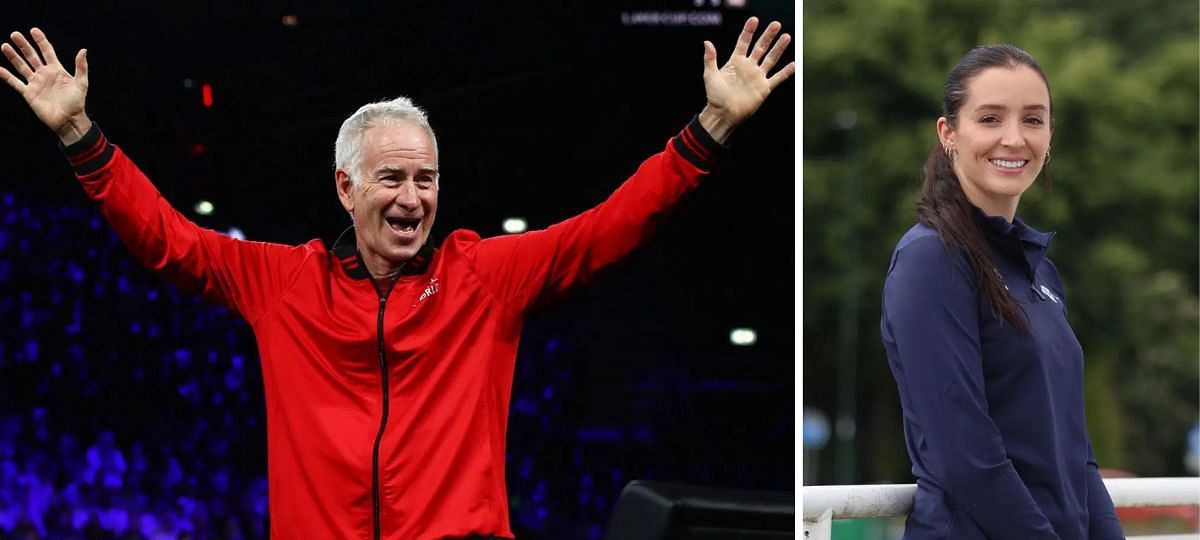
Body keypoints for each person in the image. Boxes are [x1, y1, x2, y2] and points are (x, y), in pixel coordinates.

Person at [1, 17, 794, 540]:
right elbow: (169, 241)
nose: (413, 198)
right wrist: (79, 134)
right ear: (347, 188)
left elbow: (610, 227)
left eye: (427, 178)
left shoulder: (483, 277)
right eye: (391, 179)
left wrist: (713, 127)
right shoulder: (283, 283)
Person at [879, 45, 1125, 539]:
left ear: (1050, 135)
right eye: (990, 118)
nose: (1014, 139)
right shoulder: (932, 260)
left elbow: (1076, 456)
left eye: (1033, 120)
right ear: (949, 133)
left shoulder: (1041, 274)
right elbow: (966, 457)